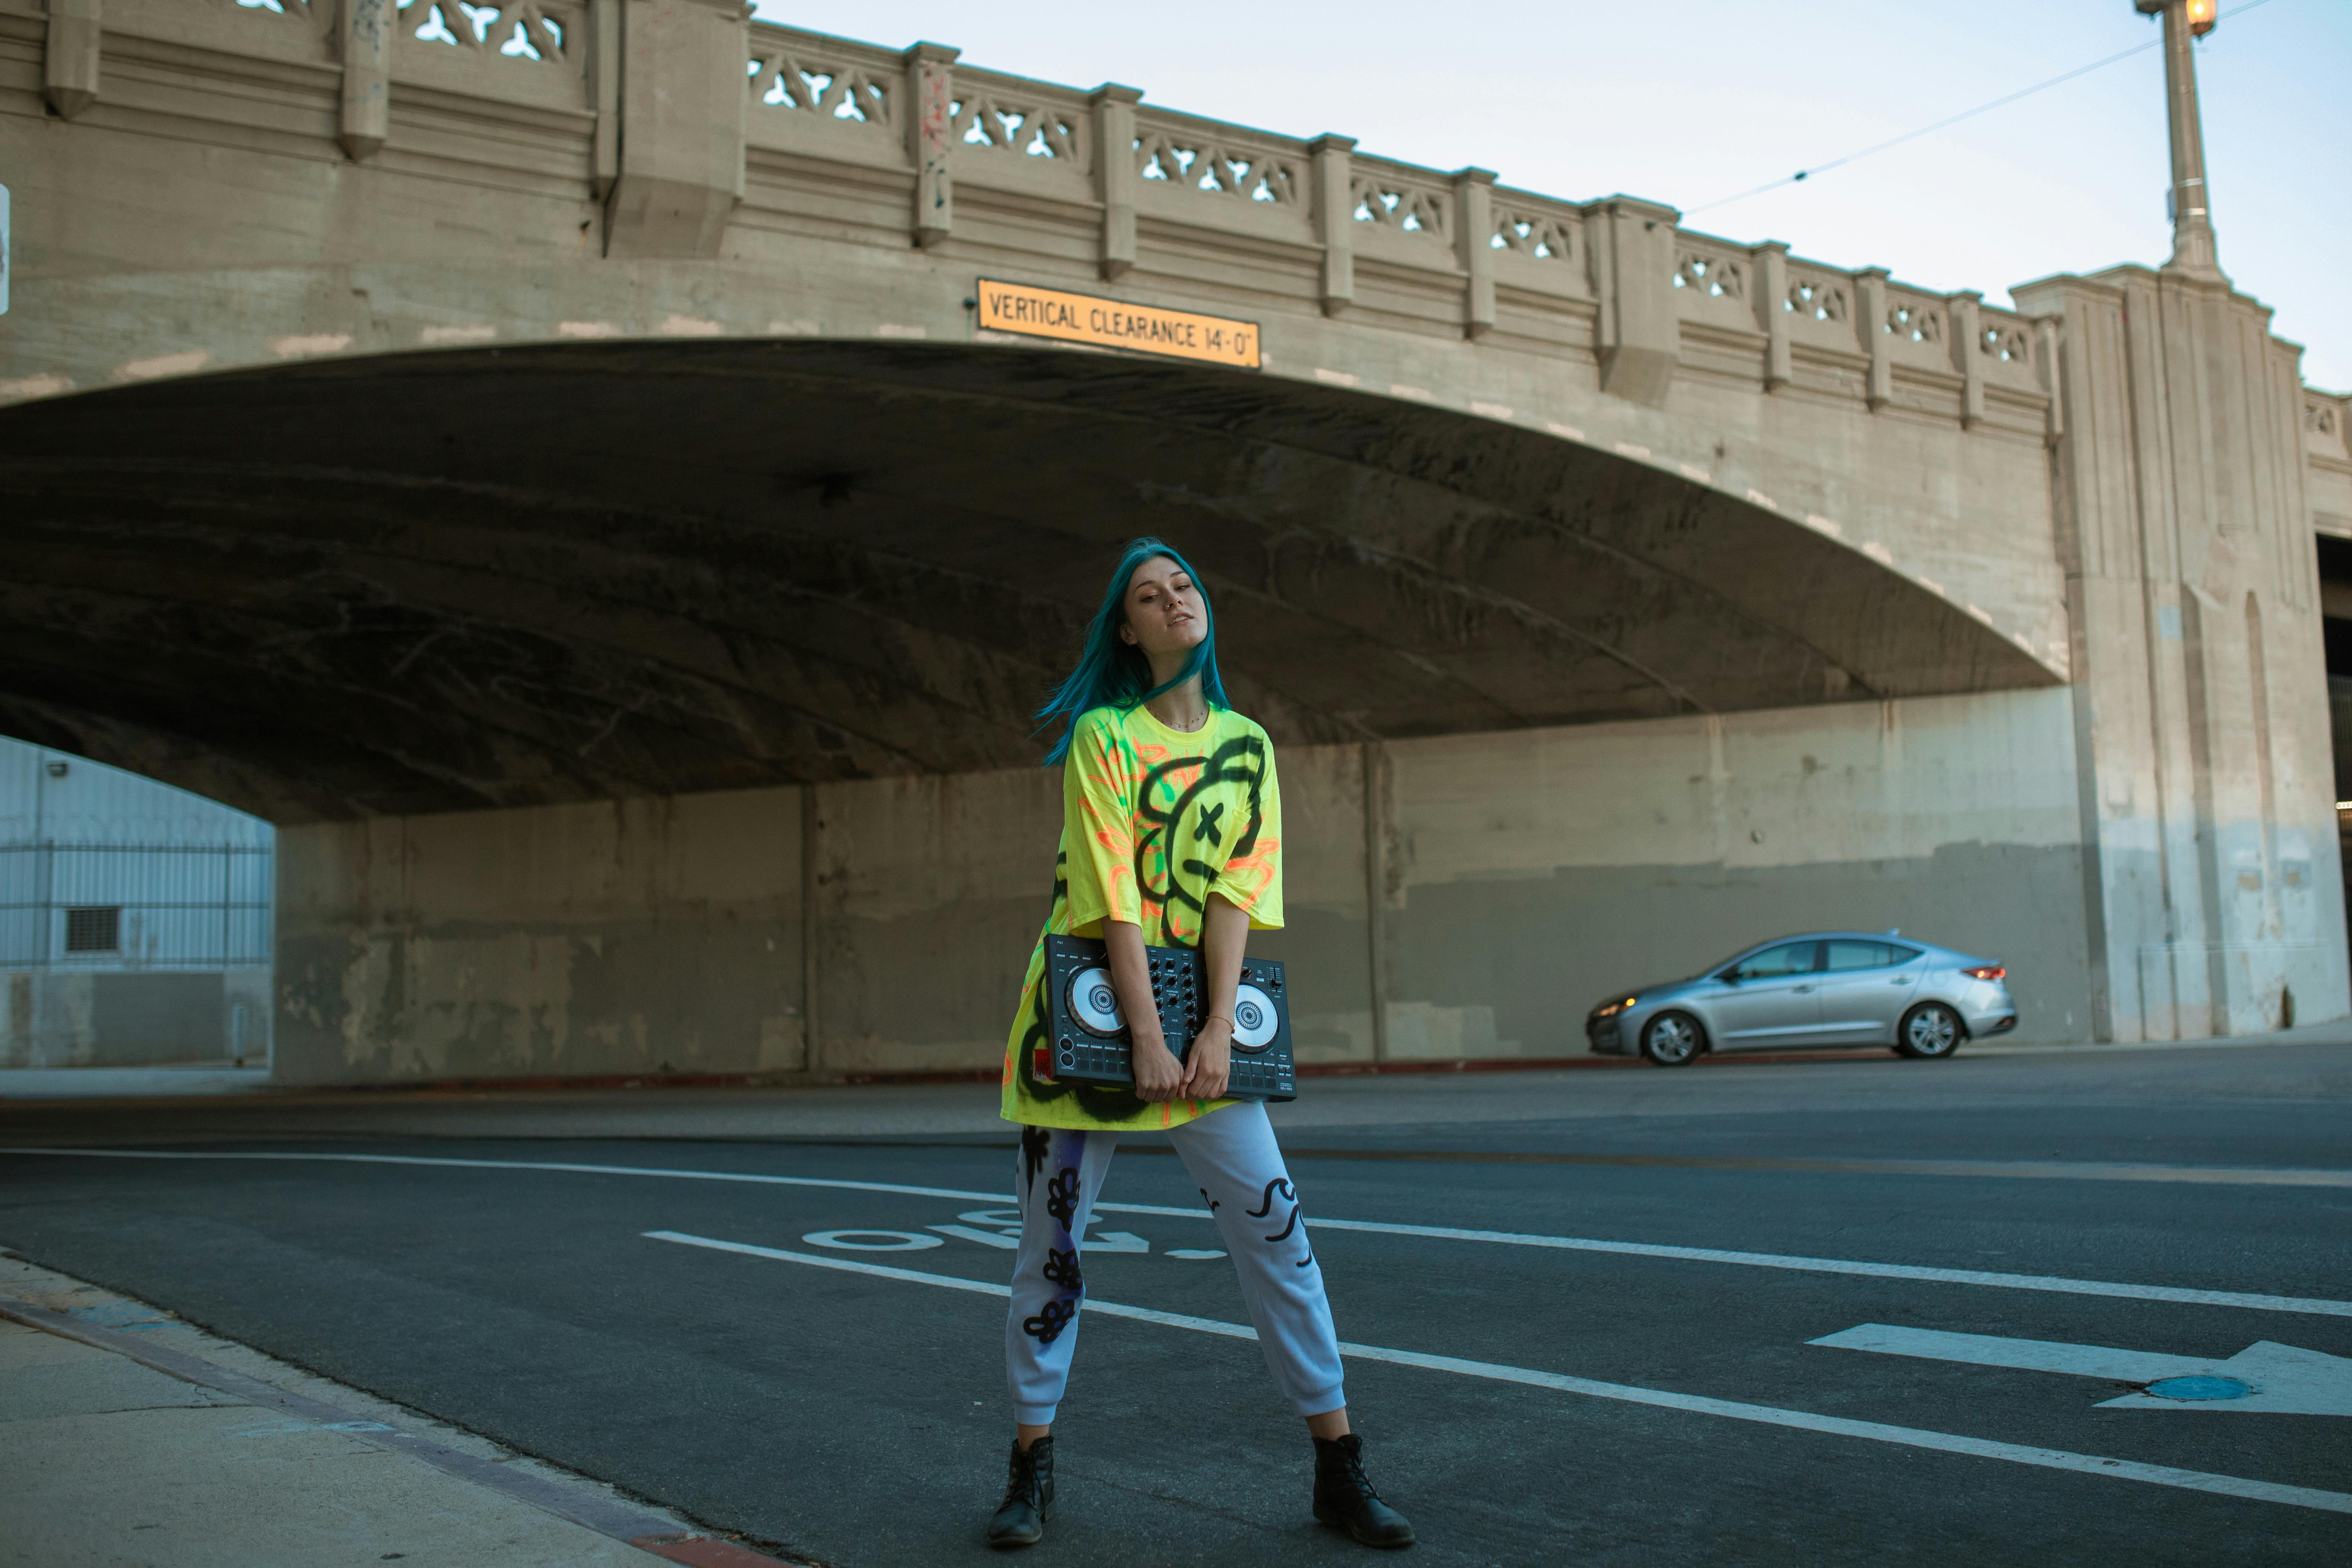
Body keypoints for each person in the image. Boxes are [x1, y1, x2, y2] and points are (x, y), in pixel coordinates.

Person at [986, 537, 1414, 1551]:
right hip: (1084, 1027)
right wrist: (1145, 1032)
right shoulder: (1106, 740)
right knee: (1051, 1256)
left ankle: (1338, 1467)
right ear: (1126, 632)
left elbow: (1235, 897)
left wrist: (1217, 1029)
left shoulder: (1250, 744)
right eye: (1149, 595)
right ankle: (1028, 1469)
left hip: (1201, 1029)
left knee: (1280, 1239)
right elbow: (1112, 897)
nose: (1175, 601)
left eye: (1184, 586)